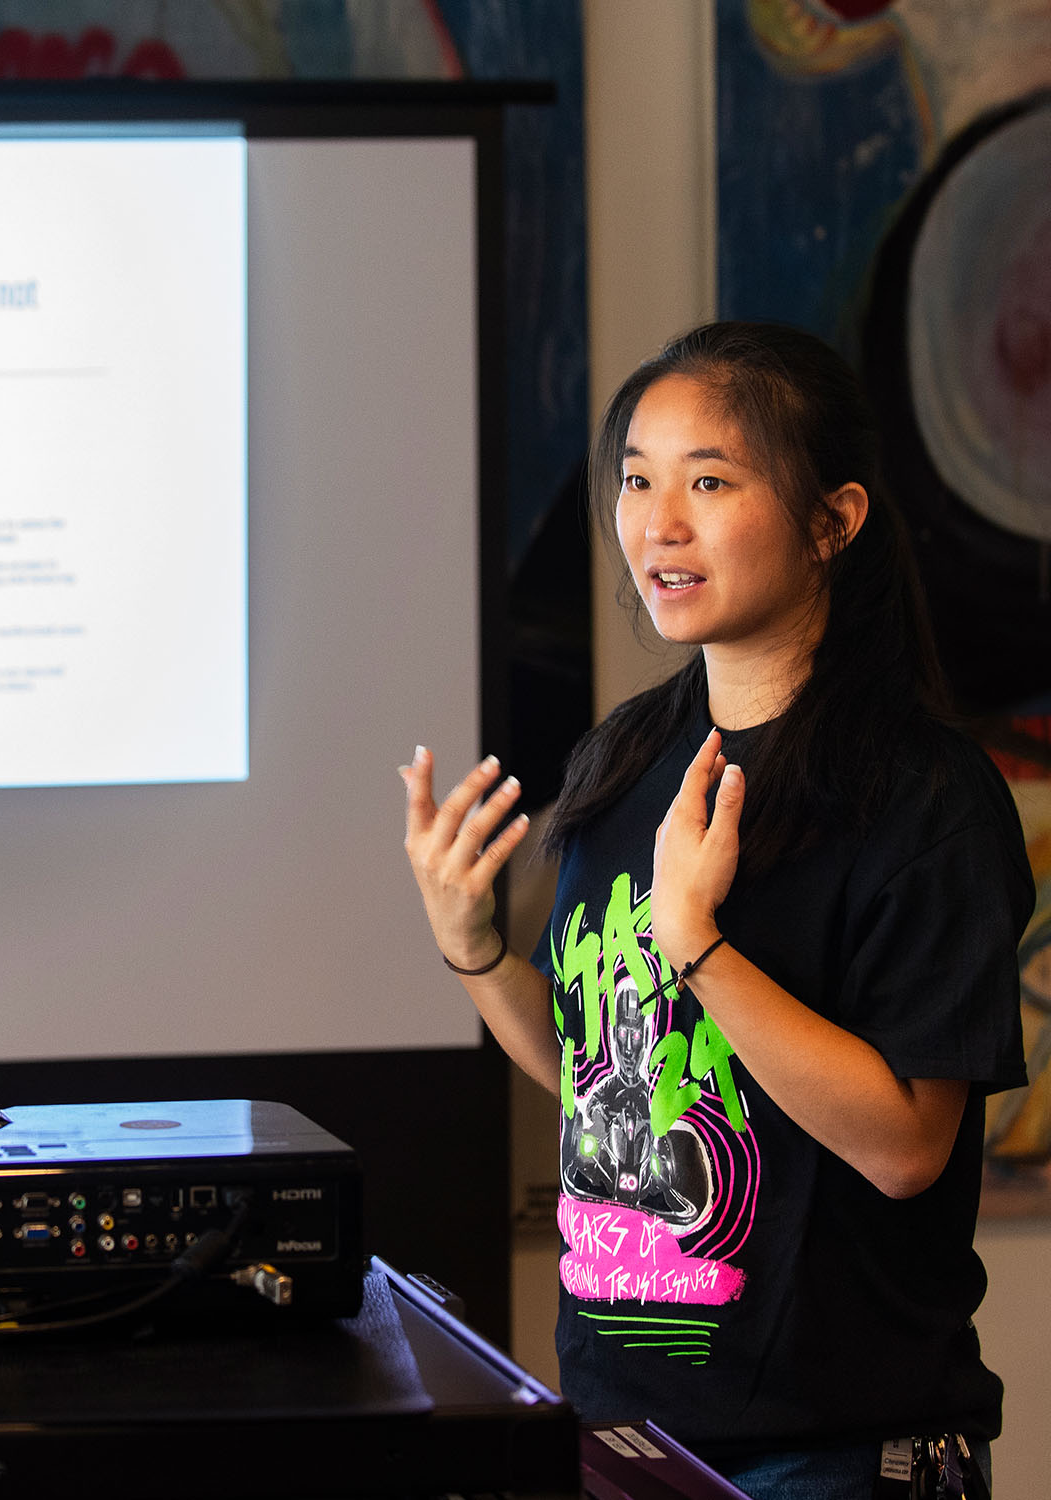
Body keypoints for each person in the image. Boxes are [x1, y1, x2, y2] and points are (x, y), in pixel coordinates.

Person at [401, 322, 1030, 1500]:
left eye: (707, 481)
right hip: (624, 1438)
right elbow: (605, 1083)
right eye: (635, 479)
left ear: (831, 520)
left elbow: (904, 1148)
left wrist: (696, 944)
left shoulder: (922, 793)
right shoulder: (625, 758)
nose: (656, 523)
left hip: (833, 1455)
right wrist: (476, 948)